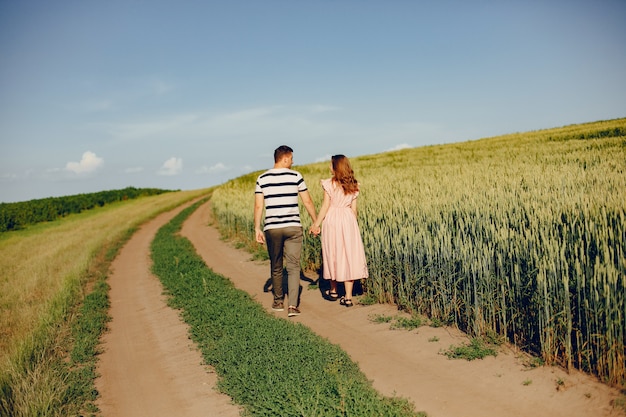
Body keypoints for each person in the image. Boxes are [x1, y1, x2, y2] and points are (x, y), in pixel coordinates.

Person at [254, 145, 317, 317]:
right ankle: (293, 306)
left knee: (276, 265)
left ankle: (278, 301)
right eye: (291, 158)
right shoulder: (296, 176)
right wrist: (315, 222)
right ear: (284, 158)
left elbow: (259, 205)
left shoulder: (262, 178)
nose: (293, 161)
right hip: (293, 226)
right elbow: (308, 202)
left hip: (272, 228)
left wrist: (257, 228)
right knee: (294, 267)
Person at [309, 154, 368, 307]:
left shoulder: (329, 184)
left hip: (332, 220)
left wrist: (316, 224)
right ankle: (348, 297)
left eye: (331, 165)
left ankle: (334, 290)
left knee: (332, 253)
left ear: (336, 167)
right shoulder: (354, 185)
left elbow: (325, 206)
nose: (329, 167)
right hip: (348, 220)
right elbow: (354, 210)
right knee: (349, 255)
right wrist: (351, 225)